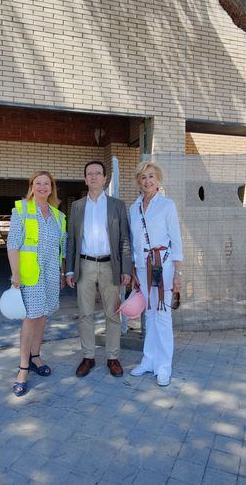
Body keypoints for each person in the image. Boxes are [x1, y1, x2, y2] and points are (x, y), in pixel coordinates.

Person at [66, 161, 132, 378]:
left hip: (109, 266)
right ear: (85, 179)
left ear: (105, 178)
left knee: (113, 313)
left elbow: (124, 239)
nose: (93, 177)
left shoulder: (117, 205)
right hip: (84, 265)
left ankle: (113, 358)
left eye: (97, 173)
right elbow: (72, 241)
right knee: (85, 313)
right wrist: (69, 270)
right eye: (89, 174)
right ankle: (88, 356)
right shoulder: (77, 206)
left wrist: (126, 269)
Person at [7, 171, 67, 397]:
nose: (42, 187)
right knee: (30, 318)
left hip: (51, 275)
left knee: (43, 316)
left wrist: (61, 274)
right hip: (29, 275)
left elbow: (60, 249)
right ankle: (23, 368)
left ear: (52, 188)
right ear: (32, 186)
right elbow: (12, 244)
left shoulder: (59, 216)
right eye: (38, 183)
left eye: (47, 184)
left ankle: (36, 356)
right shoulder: (21, 210)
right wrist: (15, 273)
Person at [128, 161, 183, 387]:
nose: (148, 181)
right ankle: (148, 360)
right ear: (138, 182)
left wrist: (178, 271)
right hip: (142, 266)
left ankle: (164, 366)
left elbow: (176, 238)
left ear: (157, 178)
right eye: (143, 177)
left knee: (162, 314)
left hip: (163, 266)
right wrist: (133, 270)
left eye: (151, 176)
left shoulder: (167, 205)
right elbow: (133, 242)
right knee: (148, 314)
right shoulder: (134, 208)